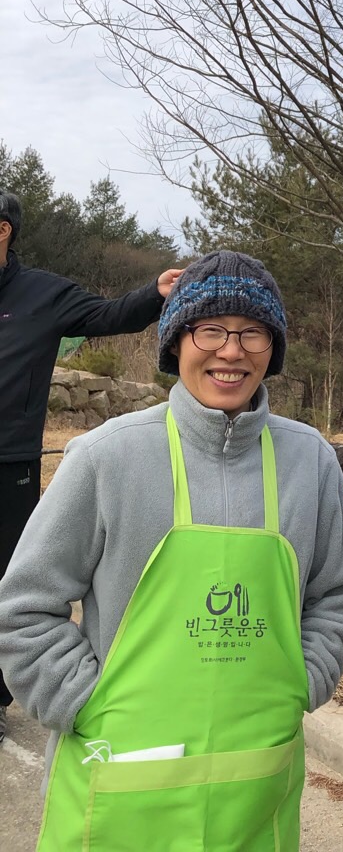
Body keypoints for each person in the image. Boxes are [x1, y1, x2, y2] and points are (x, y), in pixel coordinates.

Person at [0, 250, 343, 851]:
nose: (232, 350)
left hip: (255, 797)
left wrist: (303, 681)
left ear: (272, 349)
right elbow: (24, 607)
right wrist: (81, 701)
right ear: (176, 343)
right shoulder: (106, 456)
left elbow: (341, 594)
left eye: (253, 332)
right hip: (115, 790)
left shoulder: (312, 462)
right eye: (211, 329)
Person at [0, 187, 183, 743]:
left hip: (10, 465)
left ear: (4, 230)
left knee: (8, 580)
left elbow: (108, 315)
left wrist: (156, 292)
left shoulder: (43, 295)